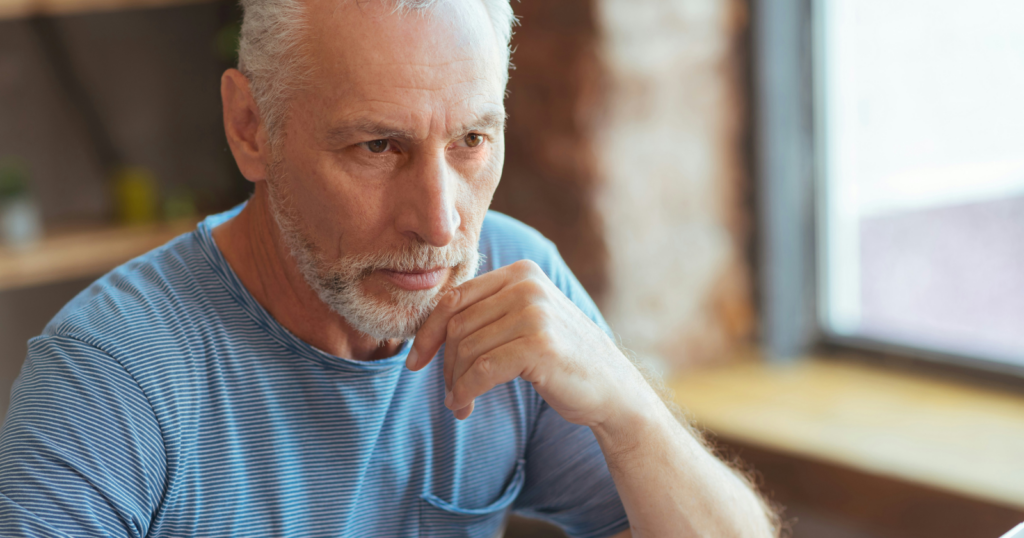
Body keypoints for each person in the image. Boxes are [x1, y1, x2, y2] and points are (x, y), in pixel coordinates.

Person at [0, 0, 778, 536]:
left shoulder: (515, 277)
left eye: (472, 141)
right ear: (250, 129)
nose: (440, 224)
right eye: (377, 148)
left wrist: (630, 414)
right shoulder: (112, 374)